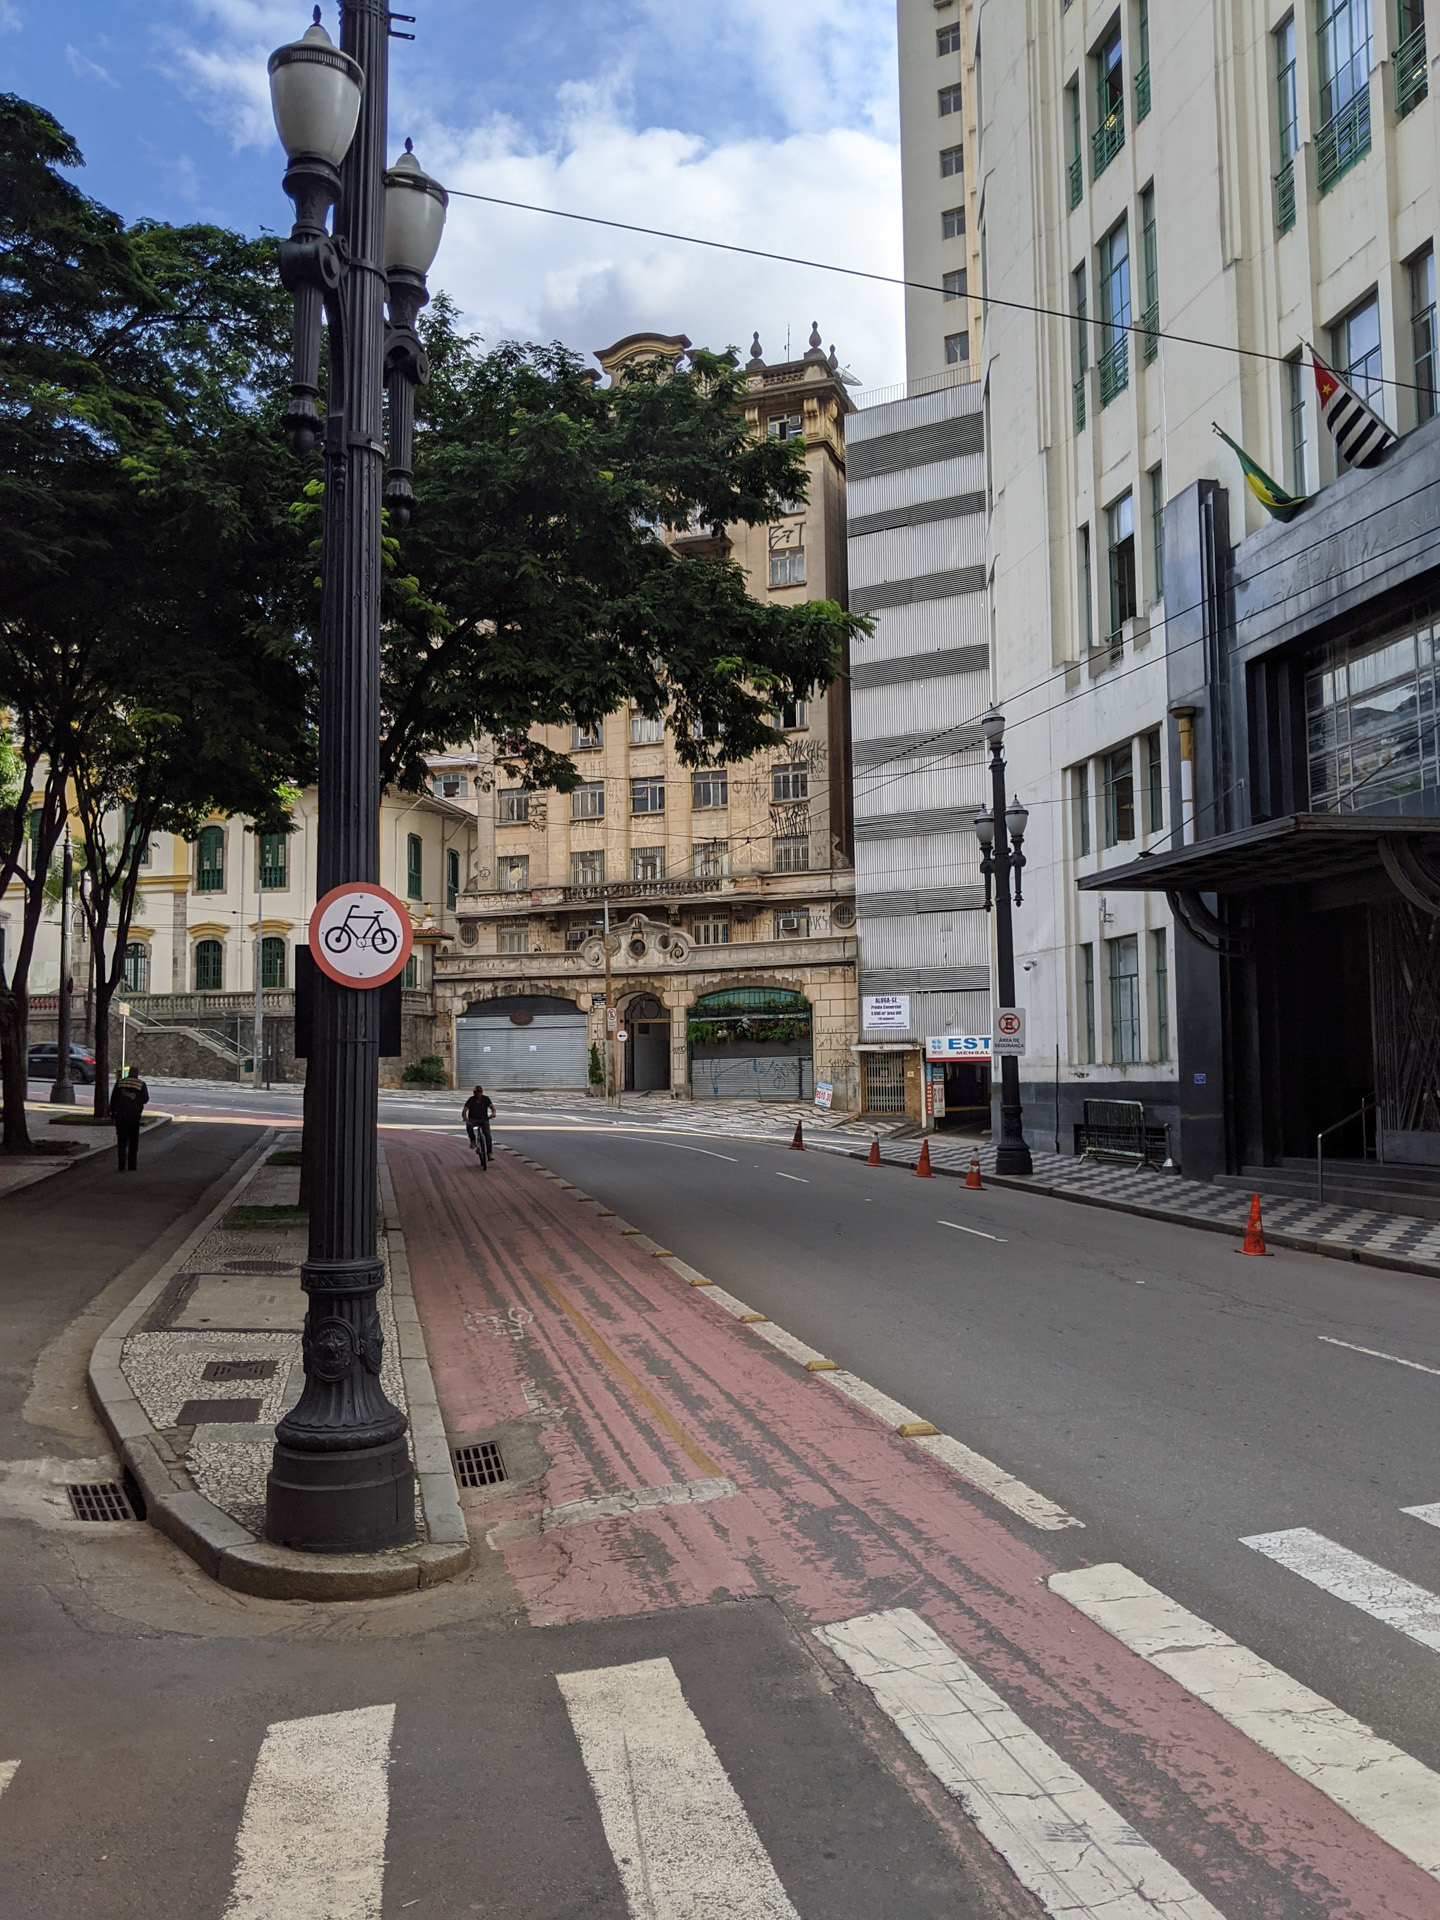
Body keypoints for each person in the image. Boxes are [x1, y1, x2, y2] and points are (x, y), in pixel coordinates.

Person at [111, 1065, 150, 1172]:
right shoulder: (141, 1084)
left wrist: (113, 1112)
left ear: (128, 1073)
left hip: (121, 1116)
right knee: (133, 1141)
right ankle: (132, 1165)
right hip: (134, 1116)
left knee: (121, 1141)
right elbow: (145, 1099)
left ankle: (121, 1165)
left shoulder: (120, 1082)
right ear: (137, 1074)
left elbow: (113, 1098)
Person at [461, 1084, 495, 1165]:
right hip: (473, 1119)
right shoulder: (471, 1100)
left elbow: (492, 1107)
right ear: (474, 1093)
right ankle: (472, 1140)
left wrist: (493, 1113)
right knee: (469, 1125)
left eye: (479, 1092)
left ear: (482, 1092)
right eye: (476, 1092)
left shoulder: (486, 1099)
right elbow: (465, 1110)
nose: (478, 1094)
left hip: (484, 1119)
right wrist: (465, 1117)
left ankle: (489, 1153)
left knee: (488, 1136)